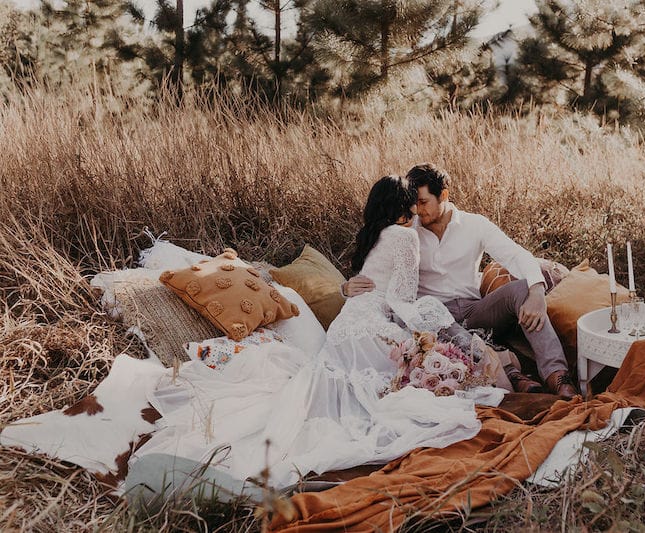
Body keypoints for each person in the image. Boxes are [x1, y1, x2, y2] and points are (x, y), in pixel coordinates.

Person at [131, 175, 504, 490]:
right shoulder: (405, 237)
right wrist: (429, 321)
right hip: (371, 328)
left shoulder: (373, 236)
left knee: (345, 397)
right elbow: (401, 298)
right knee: (390, 395)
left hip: (342, 332)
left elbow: (366, 285)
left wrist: (354, 295)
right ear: (402, 204)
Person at [343, 164, 579, 399]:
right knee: (432, 314)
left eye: (424, 202)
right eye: (413, 202)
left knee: (523, 290)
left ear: (443, 195)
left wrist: (537, 292)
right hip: (434, 317)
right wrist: (347, 287)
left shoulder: (474, 224)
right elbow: (377, 266)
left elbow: (515, 255)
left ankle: (557, 376)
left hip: (475, 309)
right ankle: (513, 375)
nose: (417, 209)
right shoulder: (406, 229)